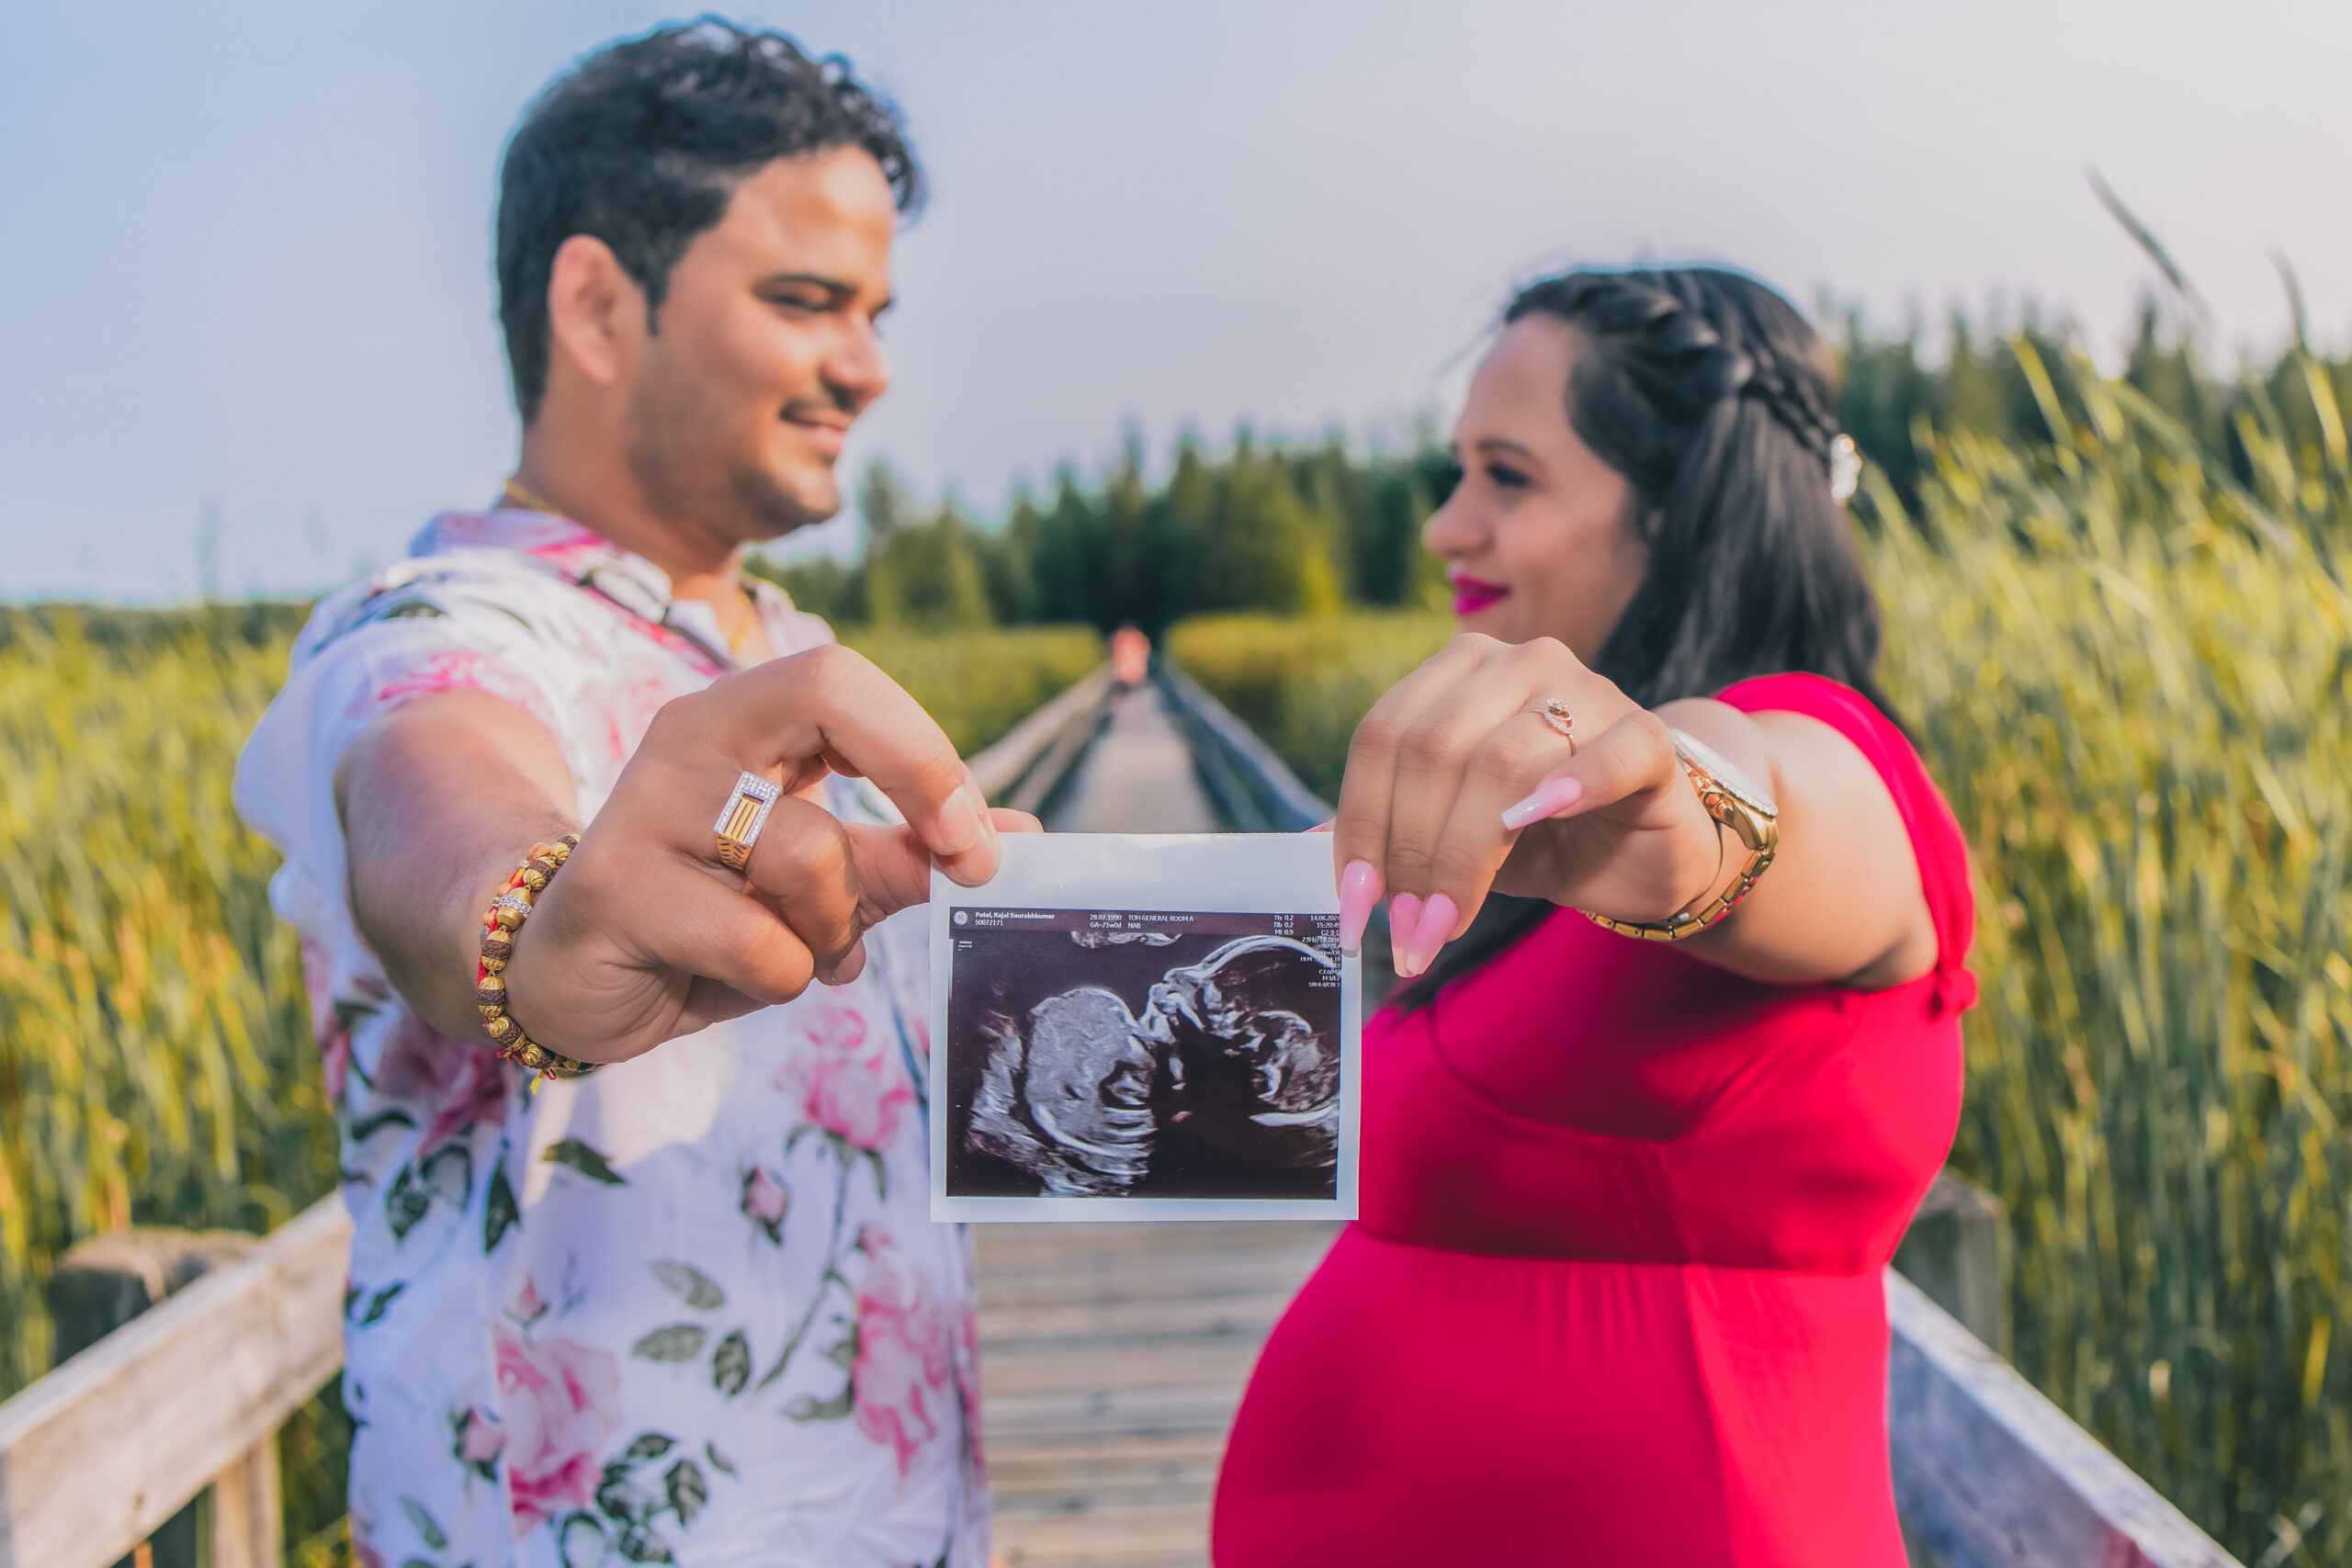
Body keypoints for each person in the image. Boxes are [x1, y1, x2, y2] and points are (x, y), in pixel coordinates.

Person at [233, 24, 1029, 1567]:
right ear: (597, 304)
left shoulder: (790, 650)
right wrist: (538, 929)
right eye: (805, 301)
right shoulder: (434, 630)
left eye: (874, 313)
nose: (867, 366)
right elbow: (441, 800)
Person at [1213, 267, 1978, 1564]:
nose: (1447, 527)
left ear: (1679, 510)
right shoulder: (1541, 855)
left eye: (1507, 478)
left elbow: (1763, 799)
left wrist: (1686, 814)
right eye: (1456, 473)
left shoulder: (1827, 756)